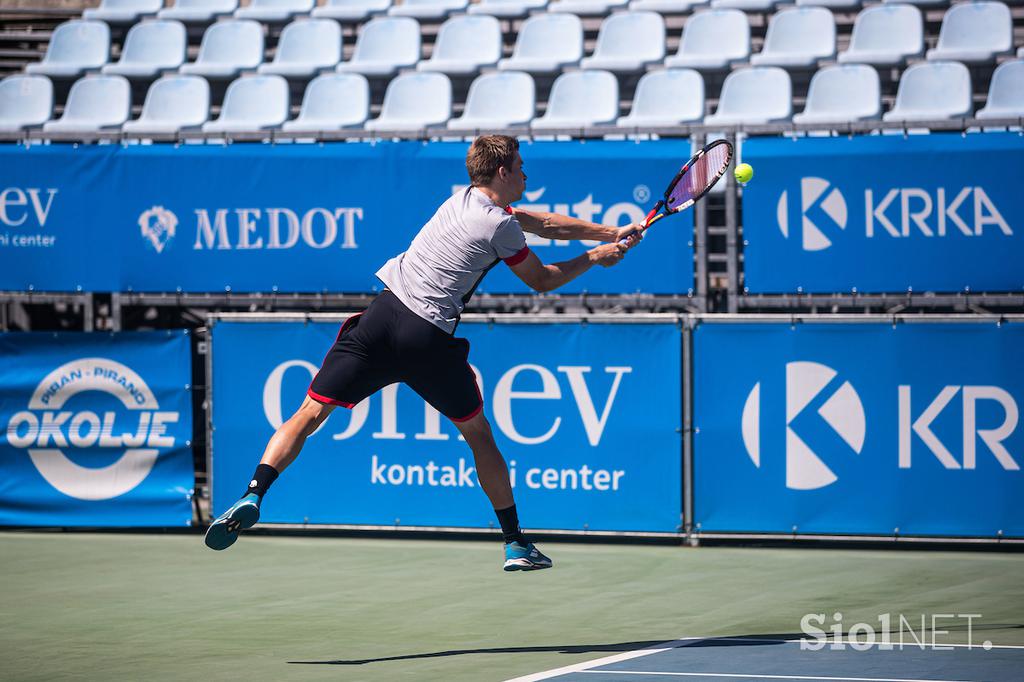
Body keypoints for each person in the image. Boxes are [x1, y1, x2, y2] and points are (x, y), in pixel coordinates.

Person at [205, 135, 641, 570]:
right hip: (426, 335)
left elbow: (543, 223)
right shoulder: (499, 226)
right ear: (503, 172)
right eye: (521, 166)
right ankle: (514, 542)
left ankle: (254, 492)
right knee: (478, 434)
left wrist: (611, 231)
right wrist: (596, 256)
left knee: (309, 413)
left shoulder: (462, 199)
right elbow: (542, 279)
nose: (527, 174)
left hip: (382, 316)